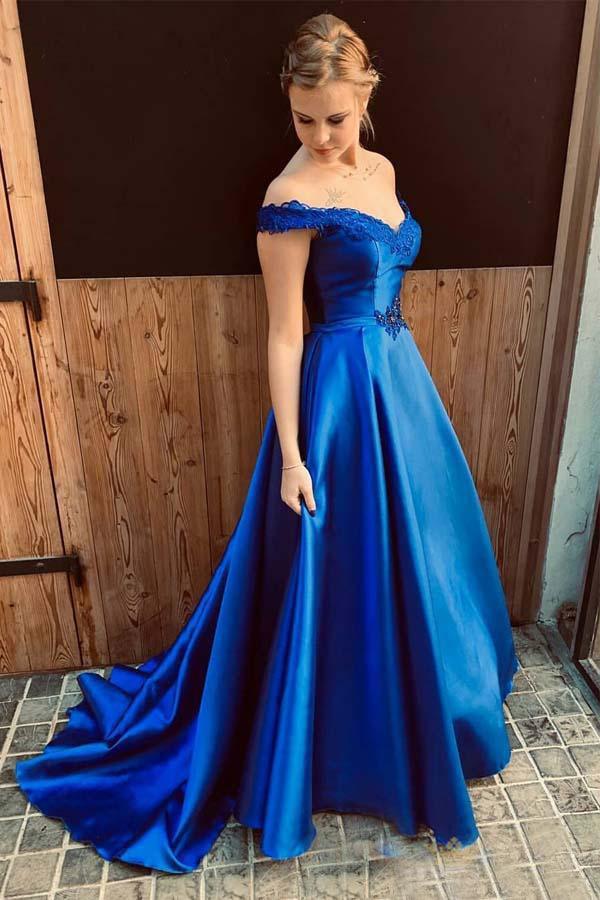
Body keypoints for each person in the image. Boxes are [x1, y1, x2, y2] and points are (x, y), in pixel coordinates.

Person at [15, 12, 519, 876]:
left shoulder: (383, 170)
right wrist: (292, 456)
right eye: (303, 117)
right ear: (287, 105)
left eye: (336, 117)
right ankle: (338, 745)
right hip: (336, 401)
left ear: (366, 95)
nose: (320, 135)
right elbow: (286, 334)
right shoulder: (288, 199)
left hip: (400, 385)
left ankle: (426, 713)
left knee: (420, 558)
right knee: (333, 572)